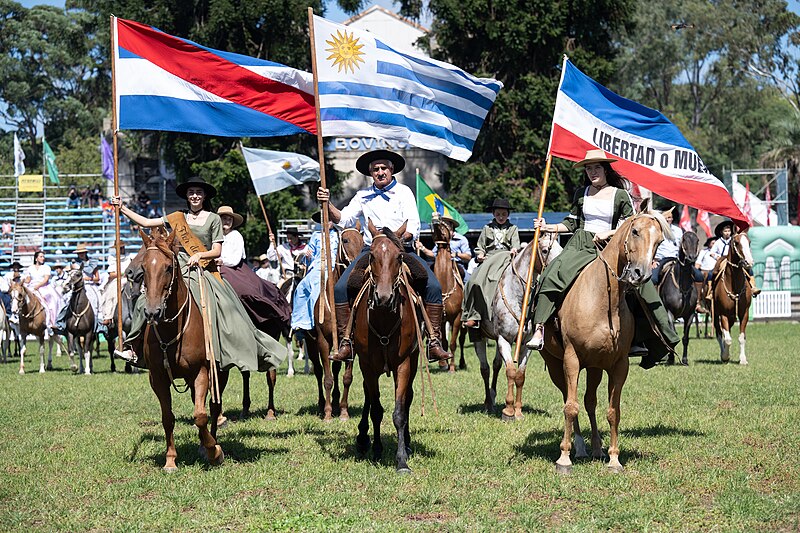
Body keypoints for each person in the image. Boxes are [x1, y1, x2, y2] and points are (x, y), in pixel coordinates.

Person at [110, 176, 286, 373]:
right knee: (146, 299)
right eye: (191, 192)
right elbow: (147, 221)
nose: (195, 196)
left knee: (224, 305)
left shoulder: (213, 219)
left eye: (199, 193)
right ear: (186, 195)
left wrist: (200, 254)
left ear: (204, 196)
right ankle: (133, 346)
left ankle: (221, 348)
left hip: (203, 268)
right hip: (177, 268)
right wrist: (122, 208)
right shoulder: (178, 216)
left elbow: (217, 251)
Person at [526, 149, 679, 368]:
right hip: (580, 245)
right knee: (551, 275)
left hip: (612, 245)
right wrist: (547, 227)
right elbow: (571, 223)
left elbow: (628, 224)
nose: (592, 172)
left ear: (605, 169)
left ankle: (655, 337)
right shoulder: (582, 192)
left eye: (596, 167)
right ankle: (539, 328)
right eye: (589, 168)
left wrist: (608, 234)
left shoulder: (620, 194)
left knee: (642, 286)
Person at [316, 149, 451, 363]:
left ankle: (434, 341)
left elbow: (413, 225)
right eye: (375, 169)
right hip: (371, 252)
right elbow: (344, 219)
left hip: (401, 250)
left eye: (383, 168)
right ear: (371, 173)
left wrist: (395, 240)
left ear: (391, 170)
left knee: (433, 286)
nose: (380, 172)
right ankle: (346, 343)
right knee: (340, 288)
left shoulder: (404, 192)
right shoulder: (362, 195)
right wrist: (328, 202)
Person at [216, 205, 290, 333]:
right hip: (215, 267)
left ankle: (265, 313)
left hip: (235, 269)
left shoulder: (236, 235)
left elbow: (234, 259)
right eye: (223, 219)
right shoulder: (213, 236)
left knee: (245, 292)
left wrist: (221, 261)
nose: (226, 221)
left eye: (229, 219)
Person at [461, 198, 520, 329]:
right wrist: (480, 254)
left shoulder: (513, 228)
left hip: (506, 258)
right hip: (489, 260)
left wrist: (515, 249)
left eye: (504, 214)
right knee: (473, 282)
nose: (501, 217)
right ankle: (474, 316)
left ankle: (527, 316)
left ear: (508, 215)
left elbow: (516, 244)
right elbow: (480, 246)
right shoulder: (486, 228)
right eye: (498, 214)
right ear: (493, 214)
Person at [291, 211, 340, 333]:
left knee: (317, 288)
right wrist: (307, 256)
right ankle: (301, 322)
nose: (327, 222)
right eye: (324, 220)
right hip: (318, 266)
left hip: (334, 266)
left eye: (329, 220)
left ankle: (315, 320)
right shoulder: (316, 235)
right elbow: (311, 254)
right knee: (301, 288)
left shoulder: (339, 235)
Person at [708, 219, 761, 296]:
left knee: (749, 270)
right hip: (722, 259)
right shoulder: (718, 242)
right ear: (721, 232)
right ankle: (711, 291)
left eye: (728, 231)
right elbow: (711, 253)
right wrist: (717, 257)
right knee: (711, 274)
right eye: (725, 231)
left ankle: (753, 286)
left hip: (733, 259)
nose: (727, 233)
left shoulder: (733, 240)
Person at [416, 214, 473, 282]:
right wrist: (422, 248)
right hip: (440, 265)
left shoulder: (461, 239)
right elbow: (433, 255)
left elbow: (468, 257)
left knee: (469, 282)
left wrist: (457, 254)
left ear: (451, 226)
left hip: (456, 264)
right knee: (427, 279)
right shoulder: (440, 240)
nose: (443, 227)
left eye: (446, 224)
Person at [22, 250, 65, 332]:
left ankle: (53, 322)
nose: (43, 258)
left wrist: (37, 286)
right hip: (32, 286)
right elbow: (28, 279)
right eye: (41, 256)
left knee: (53, 300)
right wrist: (23, 282)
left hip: (43, 286)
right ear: (36, 258)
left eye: (43, 256)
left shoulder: (46, 267)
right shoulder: (30, 268)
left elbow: (46, 279)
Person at [99, 242, 138, 327]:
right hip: (118, 279)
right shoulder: (112, 258)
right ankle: (108, 316)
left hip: (131, 279)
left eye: (122, 247)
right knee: (111, 294)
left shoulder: (130, 257)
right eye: (119, 248)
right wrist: (123, 273)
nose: (121, 250)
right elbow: (112, 274)